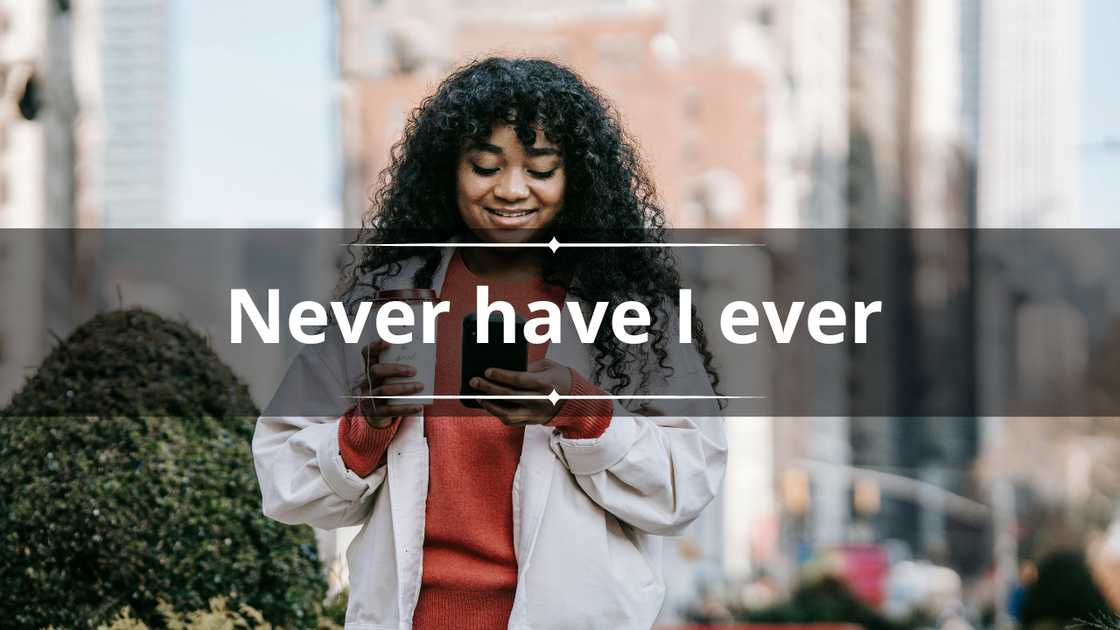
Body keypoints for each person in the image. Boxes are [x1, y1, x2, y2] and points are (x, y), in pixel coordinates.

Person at [253, 57, 727, 630]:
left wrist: (580, 411)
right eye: (485, 166)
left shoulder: (635, 310)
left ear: (576, 178)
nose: (511, 190)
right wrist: (365, 429)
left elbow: (688, 482)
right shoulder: (381, 304)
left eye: (541, 168)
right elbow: (283, 478)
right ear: (447, 171)